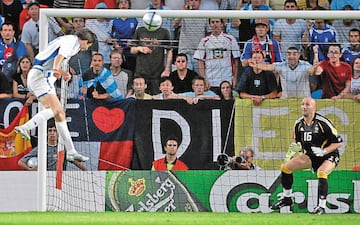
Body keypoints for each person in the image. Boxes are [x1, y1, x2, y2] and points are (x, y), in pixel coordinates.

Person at [14, 29, 96, 163]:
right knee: (56, 110)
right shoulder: (72, 41)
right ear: (86, 41)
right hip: (41, 76)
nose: (87, 48)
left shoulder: (72, 43)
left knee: (59, 114)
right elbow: (58, 58)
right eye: (89, 45)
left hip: (43, 77)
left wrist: (63, 73)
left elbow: (54, 59)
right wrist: (58, 70)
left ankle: (71, 151)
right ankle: (26, 127)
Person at [271, 97, 343, 214]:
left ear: (314, 108)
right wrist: (295, 148)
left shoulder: (323, 123)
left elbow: (339, 142)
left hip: (329, 155)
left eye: (307, 104)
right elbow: (297, 141)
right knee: (285, 168)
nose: (304, 107)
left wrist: (324, 151)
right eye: (302, 104)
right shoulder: (298, 123)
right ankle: (287, 198)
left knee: (322, 172)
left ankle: (321, 206)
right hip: (311, 155)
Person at [18, 119, 86, 171]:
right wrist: (30, 170)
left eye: (54, 131)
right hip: (46, 179)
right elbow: (20, 162)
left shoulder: (62, 148)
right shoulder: (41, 148)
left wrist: (87, 171)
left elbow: (76, 162)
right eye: (50, 131)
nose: (52, 133)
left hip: (60, 178)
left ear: (58, 133)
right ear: (47, 133)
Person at [130, 12, 173, 95]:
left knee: (156, 98)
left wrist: (167, 69)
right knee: (140, 98)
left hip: (157, 72)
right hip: (141, 72)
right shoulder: (140, 31)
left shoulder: (164, 32)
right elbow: (132, 50)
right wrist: (140, 48)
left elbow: (169, 50)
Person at [194, 18, 240, 93]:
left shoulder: (230, 39)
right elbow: (200, 61)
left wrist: (235, 78)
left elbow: (236, 60)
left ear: (221, 24)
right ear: (210, 25)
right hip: (211, 81)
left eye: (217, 22)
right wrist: (204, 80)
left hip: (226, 80)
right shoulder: (204, 41)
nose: (215, 24)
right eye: (212, 22)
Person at [173, 0, 209, 74]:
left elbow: (209, 33)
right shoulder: (183, 14)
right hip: (184, 53)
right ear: (188, 2)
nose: (193, 2)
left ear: (200, 2)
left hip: (199, 53)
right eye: (191, 0)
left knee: (199, 80)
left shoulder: (204, 15)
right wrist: (182, 13)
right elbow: (174, 25)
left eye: (196, 0)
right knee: (185, 78)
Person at [111, 0, 138, 73]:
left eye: (125, 2)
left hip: (130, 51)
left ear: (129, 5)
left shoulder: (134, 19)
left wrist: (133, 41)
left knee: (130, 72)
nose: (123, 4)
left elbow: (137, 34)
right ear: (118, 5)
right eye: (121, 2)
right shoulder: (113, 19)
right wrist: (114, 43)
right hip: (117, 51)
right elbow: (109, 34)